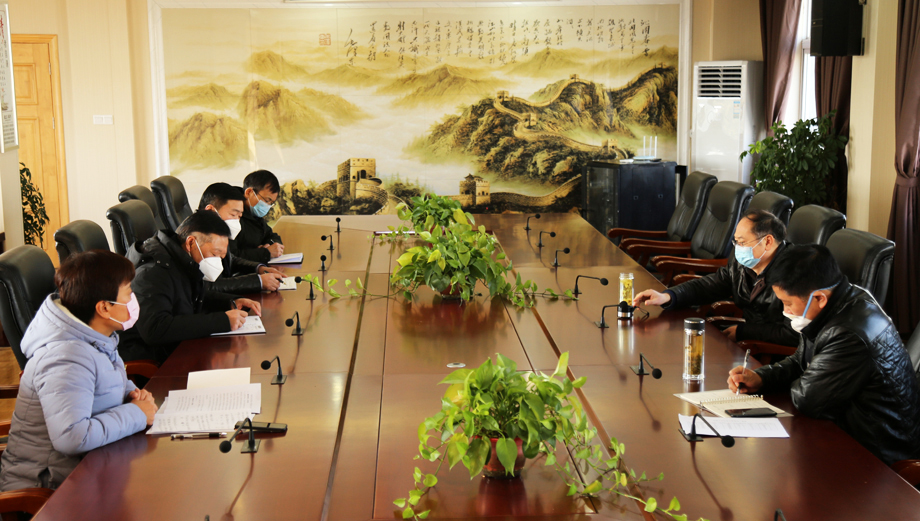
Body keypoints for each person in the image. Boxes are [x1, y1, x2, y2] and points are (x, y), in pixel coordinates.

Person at [728, 244, 920, 465]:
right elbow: (801, 362)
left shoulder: (848, 333)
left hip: (876, 454)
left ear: (819, 298)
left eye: (788, 303)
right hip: (843, 430)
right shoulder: (836, 303)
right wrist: (762, 377)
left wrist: (806, 378)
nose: (785, 311)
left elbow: (808, 399)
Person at [0, 251, 157, 491]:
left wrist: (132, 394)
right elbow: (72, 437)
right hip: (49, 488)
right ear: (104, 308)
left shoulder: (94, 336)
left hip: (91, 468)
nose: (134, 298)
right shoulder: (65, 357)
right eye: (128, 292)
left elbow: (106, 377)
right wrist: (136, 414)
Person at [634, 209, 797, 346]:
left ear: (768, 241)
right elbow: (708, 286)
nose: (738, 249)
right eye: (735, 242)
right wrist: (668, 296)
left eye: (742, 242)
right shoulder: (745, 265)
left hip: (773, 354)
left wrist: (743, 332)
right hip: (750, 342)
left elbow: (793, 333)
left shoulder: (795, 273)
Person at [118, 211, 261, 364]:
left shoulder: (180, 258)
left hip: (179, 346)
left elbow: (192, 295)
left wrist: (230, 302)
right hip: (155, 359)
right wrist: (222, 321)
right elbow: (156, 329)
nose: (218, 262)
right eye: (215, 254)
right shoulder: (152, 272)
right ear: (191, 243)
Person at [198, 182, 285, 293]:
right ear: (211, 210)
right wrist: (258, 282)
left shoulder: (217, 234)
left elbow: (231, 260)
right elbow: (206, 287)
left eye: (239, 216)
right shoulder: (198, 239)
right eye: (233, 215)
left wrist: (258, 268)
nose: (236, 222)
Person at [236, 170, 284, 263]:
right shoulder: (233, 215)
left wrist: (269, 245)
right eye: (267, 200)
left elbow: (273, 236)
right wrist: (265, 253)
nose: (267, 206)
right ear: (249, 192)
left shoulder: (255, 216)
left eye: (271, 203)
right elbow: (231, 256)